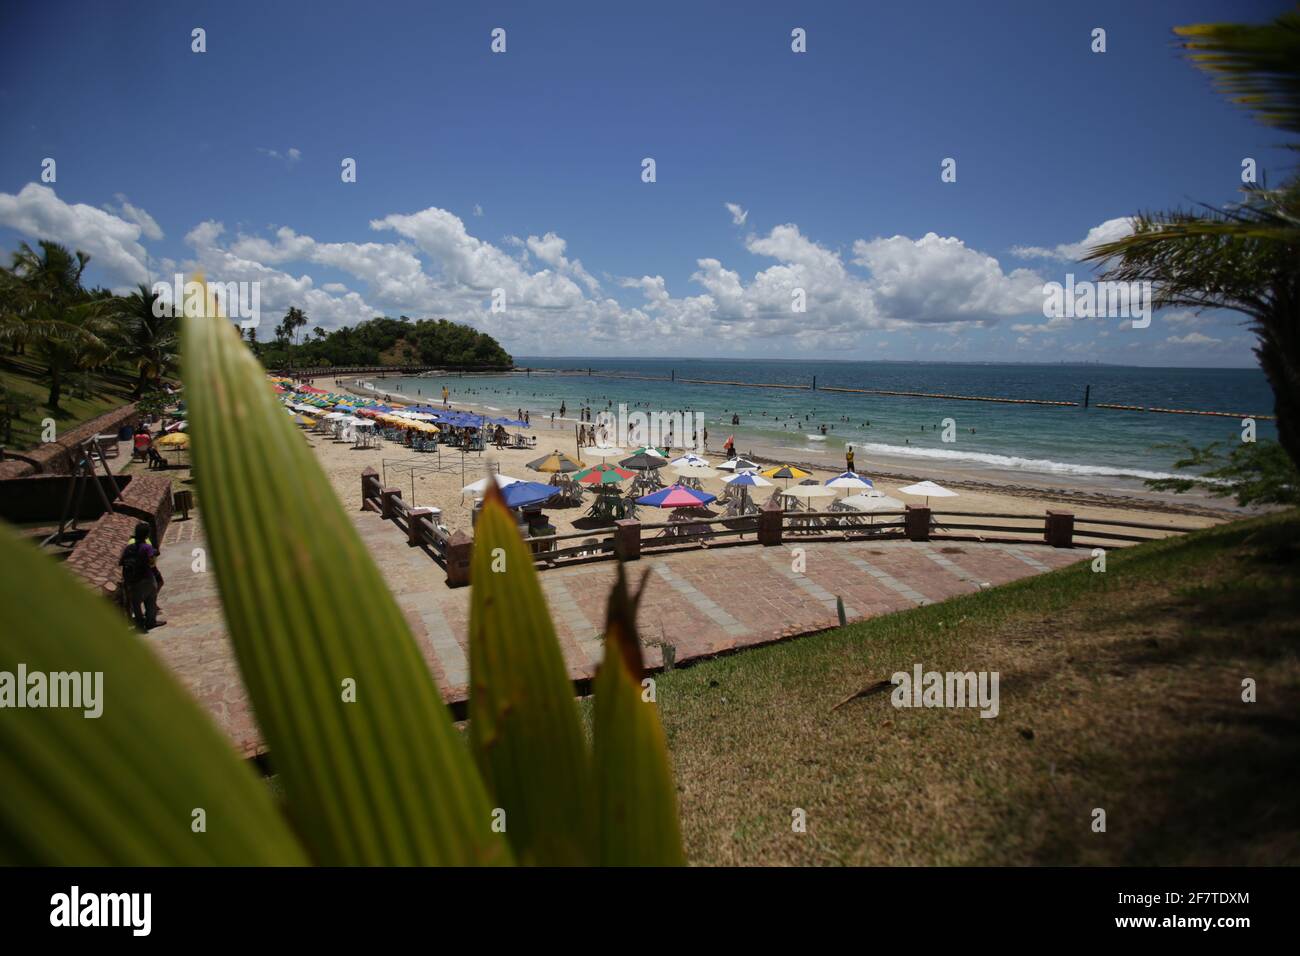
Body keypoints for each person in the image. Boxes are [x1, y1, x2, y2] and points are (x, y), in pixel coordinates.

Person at [120, 522, 164, 631]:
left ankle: (139, 624)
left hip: (133, 581)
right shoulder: (147, 547)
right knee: (150, 600)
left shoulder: (129, 548)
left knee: (136, 603)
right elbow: (151, 563)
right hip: (147, 578)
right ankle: (150, 622)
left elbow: (121, 562)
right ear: (147, 534)